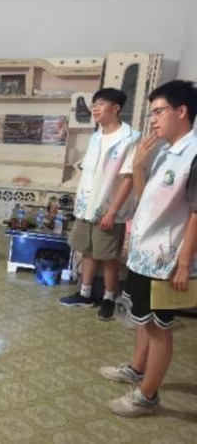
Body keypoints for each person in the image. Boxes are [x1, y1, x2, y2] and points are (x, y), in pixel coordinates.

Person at [100, 80, 197, 417]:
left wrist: (184, 263)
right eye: (151, 113)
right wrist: (140, 165)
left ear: (181, 111)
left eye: (158, 112)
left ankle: (147, 396)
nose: (153, 120)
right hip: (145, 253)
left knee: (158, 328)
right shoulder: (168, 151)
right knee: (143, 319)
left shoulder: (193, 155)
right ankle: (137, 369)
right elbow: (145, 200)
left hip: (166, 259)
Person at [59, 88, 140, 321]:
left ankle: (109, 298)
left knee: (109, 257)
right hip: (87, 206)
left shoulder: (131, 138)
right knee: (87, 251)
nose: (95, 109)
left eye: (101, 104)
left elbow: (129, 177)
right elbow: (88, 173)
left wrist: (112, 211)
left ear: (116, 108)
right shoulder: (95, 137)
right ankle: (85, 294)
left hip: (109, 209)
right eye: (94, 104)